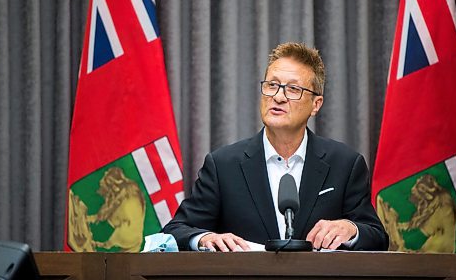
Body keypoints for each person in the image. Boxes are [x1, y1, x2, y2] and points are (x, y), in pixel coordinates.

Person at [163, 42, 389, 251]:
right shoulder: (223, 166)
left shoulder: (345, 164)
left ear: (316, 104)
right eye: (272, 85)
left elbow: (377, 236)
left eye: (293, 89)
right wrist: (203, 239)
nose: (278, 97)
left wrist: (351, 229)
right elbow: (175, 231)